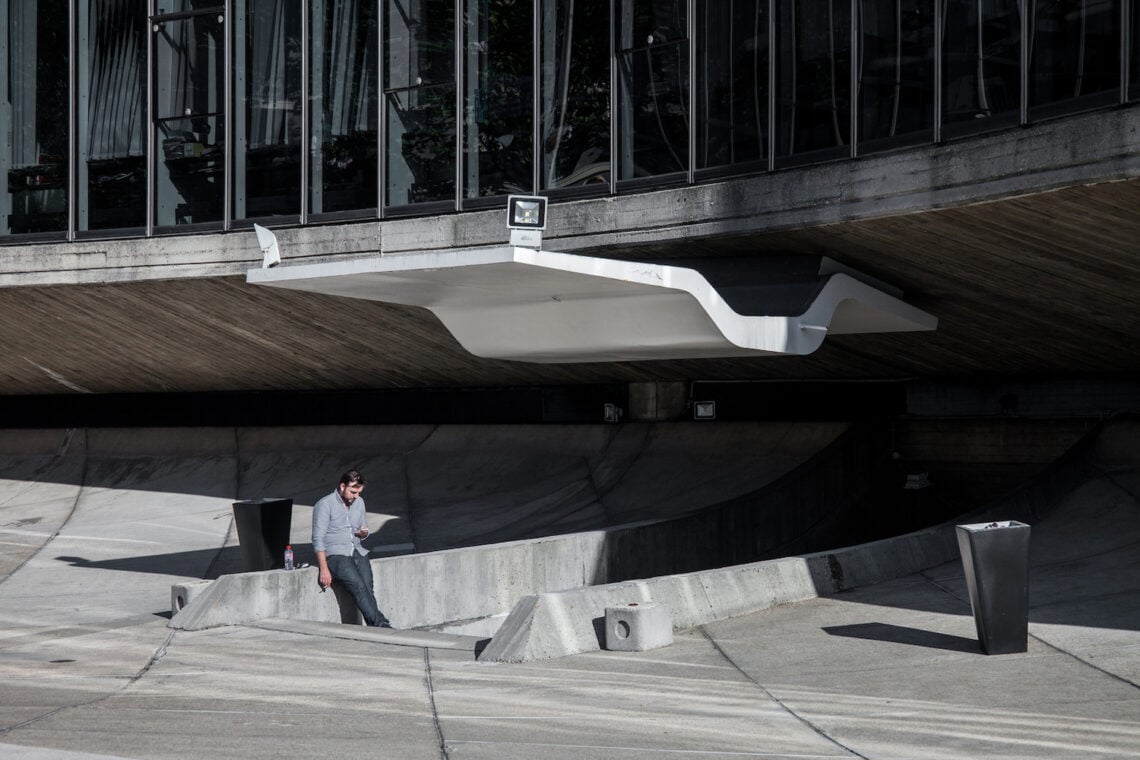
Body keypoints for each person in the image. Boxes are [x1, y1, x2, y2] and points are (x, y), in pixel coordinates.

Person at [312, 469, 392, 628]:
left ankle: (375, 626)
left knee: (368, 587)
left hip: (357, 549)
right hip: (335, 554)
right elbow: (317, 539)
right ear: (342, 486)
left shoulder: (359, 502)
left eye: (359, 492)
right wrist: (324, 568)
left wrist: (364, 533)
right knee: (358, 585)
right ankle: (381, 624)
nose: (356, 496)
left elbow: (364, 528)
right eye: (353, 492)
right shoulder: (325, 505)